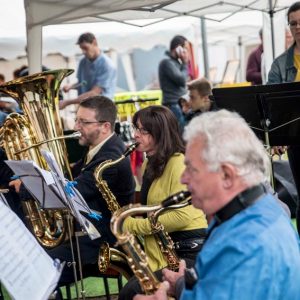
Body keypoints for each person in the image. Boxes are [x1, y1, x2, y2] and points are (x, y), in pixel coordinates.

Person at [134, 109, 300, 300]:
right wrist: (182, 285)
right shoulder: (252, 210)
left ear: (227, 176)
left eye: (192, 169)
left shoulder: (245, 244)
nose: (184, 178)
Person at [36, 96, 134, 296]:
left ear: (105, 127)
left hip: (102, 243)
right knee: (35, 255)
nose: (76, 126)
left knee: (40, 267)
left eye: (84, 122)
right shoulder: (97, 148)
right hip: (88, 235)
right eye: (77, 119)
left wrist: (29, 184)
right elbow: (72, 176)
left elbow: (72, 191)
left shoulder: (109, 158)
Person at [118, 105, 207, 300]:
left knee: (130, 293)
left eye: (143, 130)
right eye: (135, 129)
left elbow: (182, 215)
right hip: (165, 247)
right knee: (130, 291)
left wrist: (134, 225)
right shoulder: (151, 162)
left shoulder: (178, 162)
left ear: (160, 133)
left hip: (186, 251)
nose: (135, 135)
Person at [267, 1, 300, 234]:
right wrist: (278, 135)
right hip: (297, 140)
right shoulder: (280, 65)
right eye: (293, 23)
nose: (297, 27)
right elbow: (272, 106)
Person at [59, 32, 117, 109]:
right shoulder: (83, 62)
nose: (83, 52)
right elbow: (83, 83)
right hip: (86, 108)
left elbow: (94, 93)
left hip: (102, 110)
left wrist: (67, 102)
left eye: (85, 48)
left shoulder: (107, 65)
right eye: (81, 49)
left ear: (94, 43)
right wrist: (71, 86)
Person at [158, 35, 190, 129]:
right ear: (178, 48)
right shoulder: (167, 62)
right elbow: (182, 80)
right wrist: (185, 63)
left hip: (178, 104)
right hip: (173, 105)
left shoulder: (175, 62)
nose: (186, 52)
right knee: (179, 133)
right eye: (185, 49)